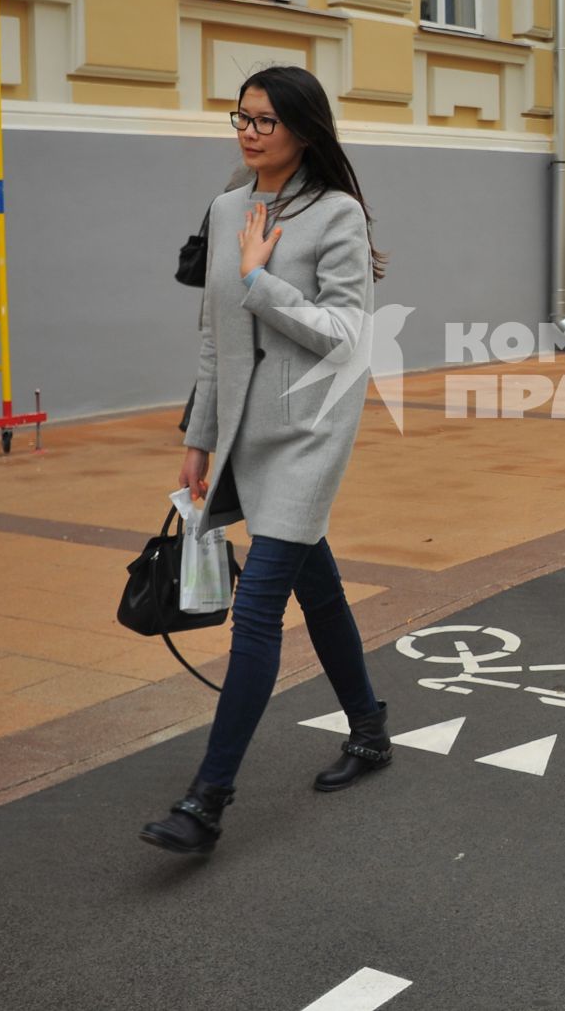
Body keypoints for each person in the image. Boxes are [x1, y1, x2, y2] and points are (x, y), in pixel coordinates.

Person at [141, 66, 392, 855]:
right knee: (317, 588)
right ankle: (371, 728)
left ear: (303, 131)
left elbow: (349, 336)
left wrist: (259, 280)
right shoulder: (225, 208)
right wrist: (198, 437)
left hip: (310, 430)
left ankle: (207, 801)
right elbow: (215, 336)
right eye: (240, 117)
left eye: (264, 121)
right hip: (246, 430)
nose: (248, 132)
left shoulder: (336, 214)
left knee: (258, 612)